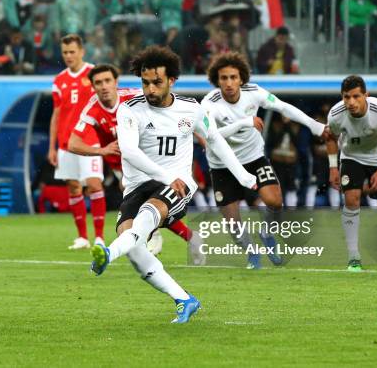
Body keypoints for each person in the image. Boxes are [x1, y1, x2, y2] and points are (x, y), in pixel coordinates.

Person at [89, 46, 257, 323]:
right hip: (138, 186)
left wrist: (242, 175)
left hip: (178, 185)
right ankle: (184, 299)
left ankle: (108, 253)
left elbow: (214, 139)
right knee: (135, 249)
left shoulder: (191, 109)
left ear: (172, 81)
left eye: (157, 82)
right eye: (145, 83)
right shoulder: (130, 110)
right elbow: (129, 152)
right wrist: (165, 177)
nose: (150, 89)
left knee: (146, 216)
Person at [67, 63, 205, 263]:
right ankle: (190, 237)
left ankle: (154, 236)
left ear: (116, 82)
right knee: (143, 217)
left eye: (107, 81)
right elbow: (73, 143)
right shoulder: (93, 107)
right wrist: (101, 150)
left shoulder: (134, 98)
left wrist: (202, 137)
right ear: (93, 87)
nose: (104, 86)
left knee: (151, 209)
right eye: (98, 83)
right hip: (122, 168)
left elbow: (173, 112)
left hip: (151, 161)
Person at [201, 52, 328, 269]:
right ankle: (252, 253)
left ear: (242, 78)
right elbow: (212, 137)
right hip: (222, 165)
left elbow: (283, 107)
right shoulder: (209, 103)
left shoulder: (254, 92)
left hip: (254, 157)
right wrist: (245, 122)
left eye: (233, 77)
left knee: (275, 202)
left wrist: (315, 125)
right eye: (224, 78)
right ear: (217, 80)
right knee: (233, 222)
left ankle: (266, 234)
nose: (229, 83)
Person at [326, 75, 377, 271]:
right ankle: (353, 257)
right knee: (351, 200)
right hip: (351, 157)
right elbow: (331, 138)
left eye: (356, 96)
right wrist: (333, 167)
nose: (351, 102)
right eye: (346, 97)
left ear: (366, 96)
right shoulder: (335, 114)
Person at [48, 34, 104, 249]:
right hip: (66, 143)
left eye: (72, 51)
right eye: (65, 52)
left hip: (89, 141)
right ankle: (83, 237)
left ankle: (99, 236)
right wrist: (52, 146)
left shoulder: (94, 74)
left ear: (82, 51)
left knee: (93, 183)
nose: (69, 56)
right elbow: (57, 114)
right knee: (73, 187)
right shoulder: (59, 80)